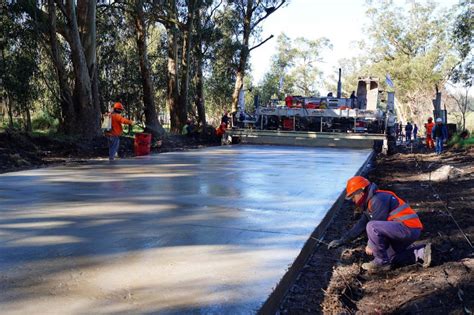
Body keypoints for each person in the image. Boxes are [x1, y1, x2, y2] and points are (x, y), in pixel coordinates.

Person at [328, 176, 431, 272]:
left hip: (408, 228)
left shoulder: (378, 199)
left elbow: (376, 223)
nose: (353, 201)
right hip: (403, 229)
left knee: (372, 226)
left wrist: (370, 245)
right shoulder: (370, 203)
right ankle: (422, 252)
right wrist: (342, 240)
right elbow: (360, 225)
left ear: (360, 192)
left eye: (353, 197)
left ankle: (380, 262)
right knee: (390, 258)